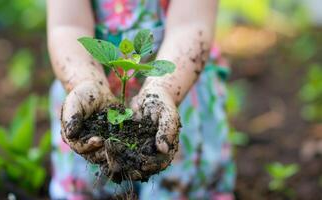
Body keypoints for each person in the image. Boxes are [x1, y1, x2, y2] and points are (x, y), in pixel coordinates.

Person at [47, 0, 235, 199]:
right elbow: (66, 26)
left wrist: (163, 89)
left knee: (179, 184)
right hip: (87, 81)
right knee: (96, 172)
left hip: (179, 83)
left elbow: (191, 24)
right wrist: (85, 81)